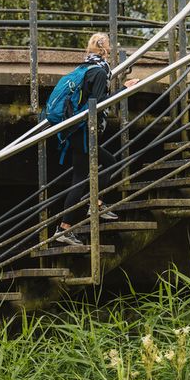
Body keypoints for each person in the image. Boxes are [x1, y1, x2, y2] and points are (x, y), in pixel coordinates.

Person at [54, 33, 138, 246]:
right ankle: (79, 217)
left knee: (85, 174)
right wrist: (124, 89)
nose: (112, 47)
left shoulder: (85, 67)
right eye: (110, 44)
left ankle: (87, 211)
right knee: (96, 170)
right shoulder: (99, 72)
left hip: (78, 131)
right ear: (103, 48)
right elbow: (99, 103)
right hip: (85, 132)